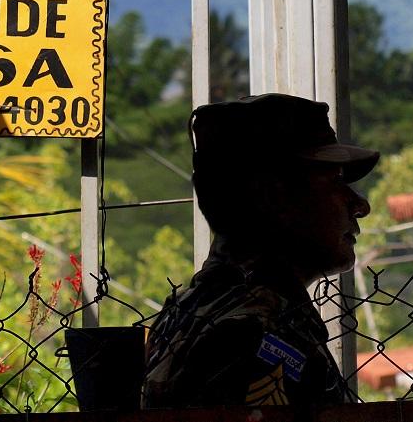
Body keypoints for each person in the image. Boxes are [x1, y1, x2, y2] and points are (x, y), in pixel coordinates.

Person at [142, 93, 377, 409]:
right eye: (334, 179)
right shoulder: (253, 333)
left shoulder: (191, 310)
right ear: (273, 196)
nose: (361, 205)